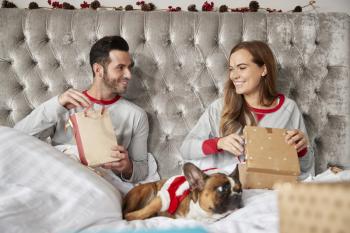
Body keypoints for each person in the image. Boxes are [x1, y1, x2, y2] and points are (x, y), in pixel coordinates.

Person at [14, 36, 150, 184]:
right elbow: (17, 137)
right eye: (120, 68)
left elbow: (142, 170)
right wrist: (57, 105)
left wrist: (128, 167)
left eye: (129, 67)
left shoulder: (136, 115)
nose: (129, 75)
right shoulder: (66, 104)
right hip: (58, 179)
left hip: (100, 185)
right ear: (98, 70)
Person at [180, 40, 314, 180]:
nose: (233, 75)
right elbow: (186, 149)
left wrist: (302, 149)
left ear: (264, 69)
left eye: (242, 68)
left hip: (269, 191)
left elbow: (306, 169)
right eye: (231, 69)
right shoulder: (219, 108)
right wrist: (219, 143)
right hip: (229, 192)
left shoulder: (289, 108)